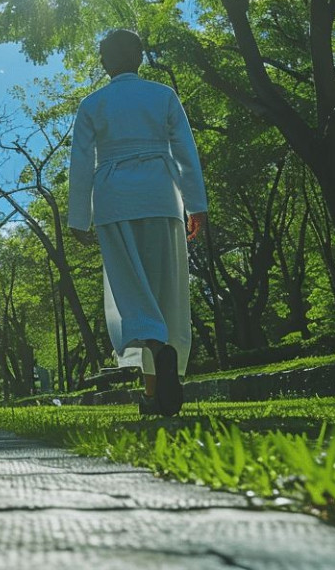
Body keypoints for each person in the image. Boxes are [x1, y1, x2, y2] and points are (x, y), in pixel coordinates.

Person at [66, 29, 208, 417]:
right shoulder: (162, 96)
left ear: (105, 62)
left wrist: (79, 216)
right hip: (161, 195)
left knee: (132, 290)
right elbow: (185, 152)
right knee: (167, 292)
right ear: (140, 58)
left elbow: (80, 163)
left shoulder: (92, 104)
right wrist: (197, 205)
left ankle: (155, 361)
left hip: (114, 199)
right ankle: (162, 384)